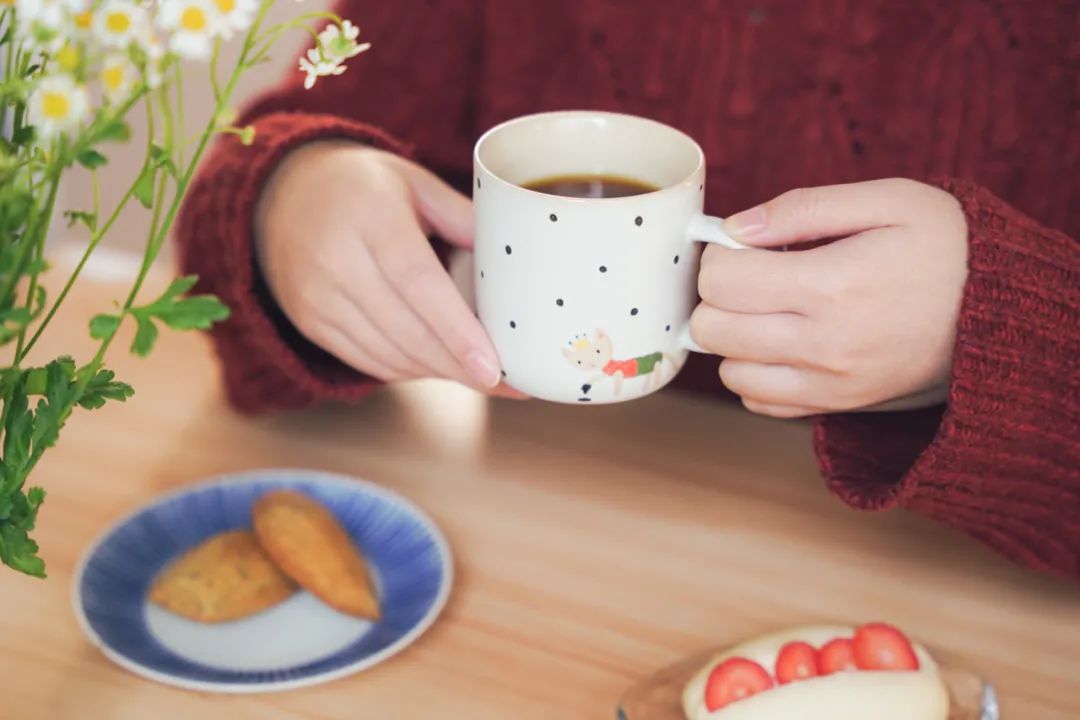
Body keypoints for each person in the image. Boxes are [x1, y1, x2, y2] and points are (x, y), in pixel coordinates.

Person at [176, 1, 1078, 578]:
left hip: (926, 593)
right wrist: (285, 197)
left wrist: (1004, 329)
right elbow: (238, 204)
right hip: (536, 541)